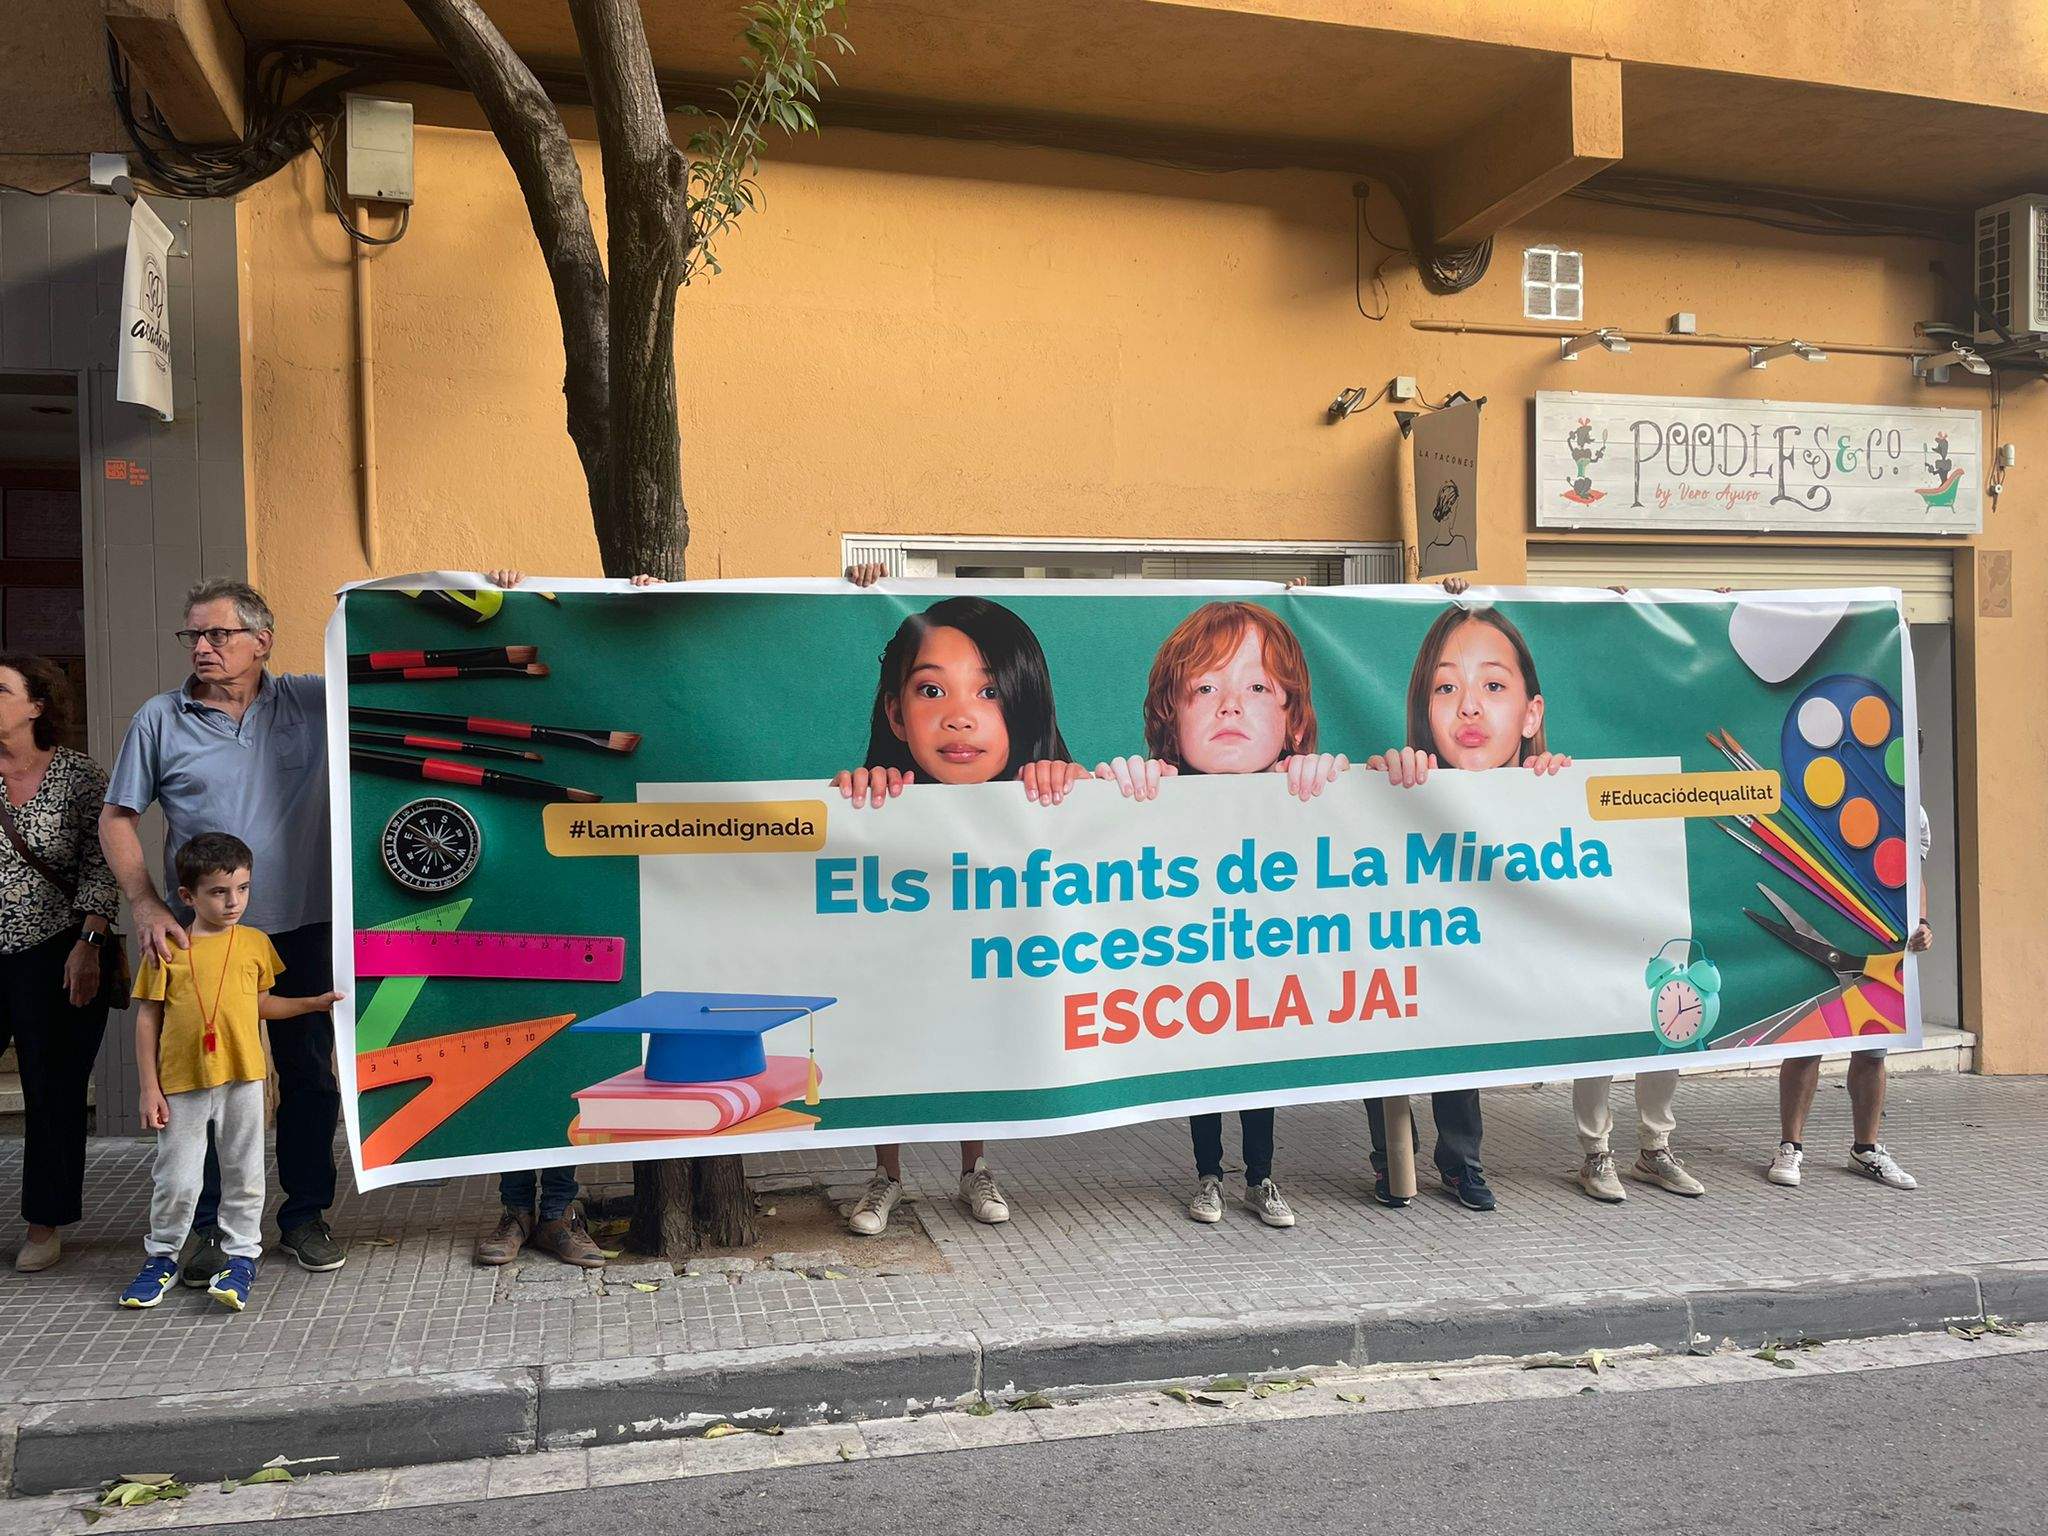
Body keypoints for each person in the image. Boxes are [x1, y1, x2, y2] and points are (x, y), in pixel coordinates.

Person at [101, 578, 347, 1284]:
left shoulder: (312, 700)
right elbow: (117, 817)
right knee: (204, 1081)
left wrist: (497, 592)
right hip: (201, 939)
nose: (202, 647)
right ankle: (209, 1230)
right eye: (194, 635)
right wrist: (146, 905)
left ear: (261, 641)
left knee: (309, 1075)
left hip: (305, 926)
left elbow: (398, 668)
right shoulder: (160, 718)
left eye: (218, 634)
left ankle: (304, 1216)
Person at [834, 568, 1087, 1233]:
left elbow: (1110, 839)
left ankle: (975, 1168)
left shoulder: (1050, 791)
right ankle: (886, 1176)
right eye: (931, 689)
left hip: (990, 960)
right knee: (891, 1043)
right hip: (902, 961)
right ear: (896, 712)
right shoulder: (877, 796)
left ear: (1024, 705)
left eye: (990, 691)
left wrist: (1074, 785)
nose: (959, 714)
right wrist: (855, 801)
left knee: (974, 1037)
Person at [1097, 601, 1346, 1229]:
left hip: (1265, 977)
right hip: (1193, 978)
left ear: (1293, 722)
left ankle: (1261, 1178)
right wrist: (1110, 793)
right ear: (1169, 718)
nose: (1230, 706)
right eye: (1205, 688)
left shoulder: (1315, 791)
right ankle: (1208, 1175)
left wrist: (1337, 783)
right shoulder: (1146, 793)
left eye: (1257, 688)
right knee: (1203, 1075)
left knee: (1256, 1076)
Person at [1364, 589, 1578, 1213]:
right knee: (1385, 1036)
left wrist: (1559, 793)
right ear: (1424, 711)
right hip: (1400, 956)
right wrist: (1375, 783)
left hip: (1473, 965)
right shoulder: (1399, 782)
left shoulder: (1550, 788)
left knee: (1458, 1042)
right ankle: (1392, 1160)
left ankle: (1461, 1162)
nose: (1469, 706)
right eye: (1446, 688)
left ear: (1531, 715)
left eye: (1492, 685)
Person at [119, 833, 342, 1312]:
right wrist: (148, 1088)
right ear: (188, 896)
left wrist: (312, 1004)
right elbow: (147, 1018)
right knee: (177, 1178)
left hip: (243, 1080)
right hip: (181, 1084)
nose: (233, 901)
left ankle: (242, 1257)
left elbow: (261, 1004)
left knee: (245, 1173)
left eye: (242, 888)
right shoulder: (168, 947)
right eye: (219, 892)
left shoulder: (256, 944)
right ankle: (162, 1258)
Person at [0, 656, 120, 1272]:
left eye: (0, 690)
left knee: (53, 1089)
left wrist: (90, 943)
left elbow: (104, 864)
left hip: (59, 951)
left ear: (37, 706)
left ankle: (44, 1225)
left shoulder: (79, 776)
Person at [1769, 806, 1933, 1191]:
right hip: (1824, 924)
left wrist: (1923, 922)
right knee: (1806, 1045)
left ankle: (1866, 1150)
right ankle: (1790, 1147)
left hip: (1882, 946)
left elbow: (1913, 875)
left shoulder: (1913, 812)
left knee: (1873, 1051)